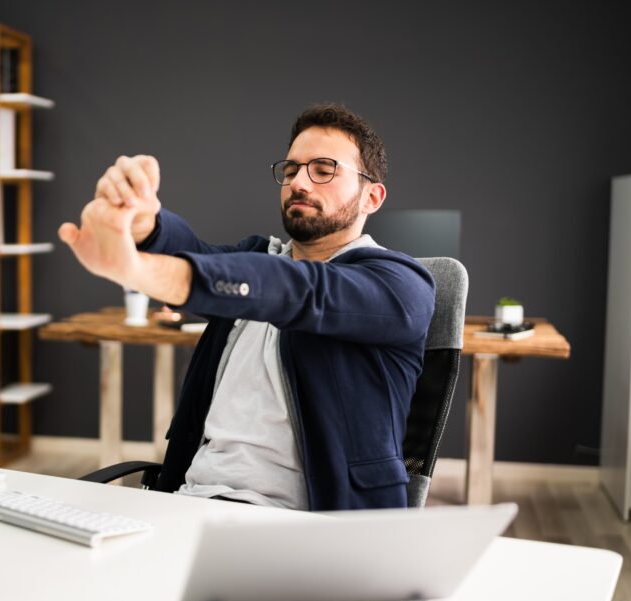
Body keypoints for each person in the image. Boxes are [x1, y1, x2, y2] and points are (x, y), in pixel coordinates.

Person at [58, 104, 435, 510]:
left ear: (372, 197)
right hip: (190, 503)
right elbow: (198, 254)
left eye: (323, 169)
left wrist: (143, 271)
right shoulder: (259, 258)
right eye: (291, 170)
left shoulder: (400, 286)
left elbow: (301, 292)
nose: (300, 183)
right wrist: (145, 225)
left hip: (308, 531)